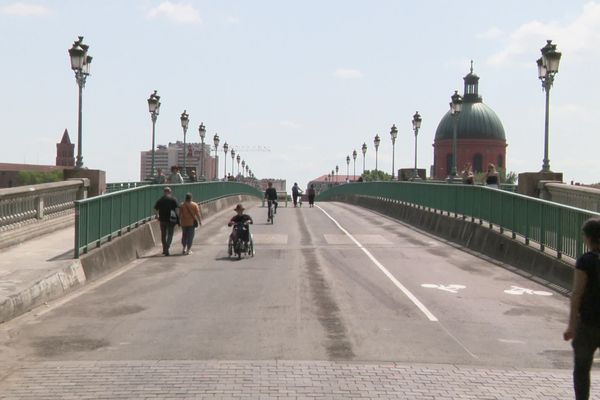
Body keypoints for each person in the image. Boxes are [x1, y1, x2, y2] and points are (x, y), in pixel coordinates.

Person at [564, 217, 600, 400]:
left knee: (582, 369)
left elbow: (577, 294)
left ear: (588, 238)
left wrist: (571, 326)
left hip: (588, 324)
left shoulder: (586, 261)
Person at [154, 187, 179, 256]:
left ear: (164, 192)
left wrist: (157, 216)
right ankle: (167, 246)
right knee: (170, 234)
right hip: (171, 220)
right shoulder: (173, 199)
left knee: (163, 235)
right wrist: (178, 217)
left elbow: (155, 209)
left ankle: (164, 249)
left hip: (162, 220)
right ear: (170, 192)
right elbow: (177, 209)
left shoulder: (160, 200)